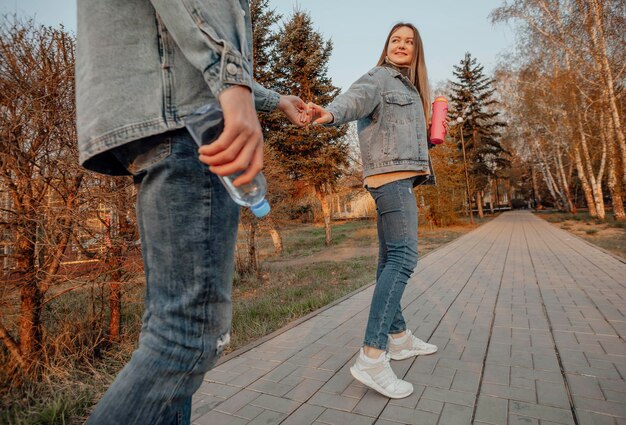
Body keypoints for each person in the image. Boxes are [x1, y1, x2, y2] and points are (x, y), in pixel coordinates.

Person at [76, 1, 306, 423]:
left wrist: (269, 98)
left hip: (159, 115)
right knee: (188, 337)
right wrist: (234, 87)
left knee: (170, 331)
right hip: (191, 121)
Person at [307, 22, 443, 399]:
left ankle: (397, 338)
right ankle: (372, 354)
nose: (402, 45)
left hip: (398, 179)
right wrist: (328, 114)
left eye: (409, 41)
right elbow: (354, 100)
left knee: (388, 260)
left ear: (417, 51)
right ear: (386, 46)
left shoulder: (411, 88)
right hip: (390, 181)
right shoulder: (380, 78)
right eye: (396, 40)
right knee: (404, 258)